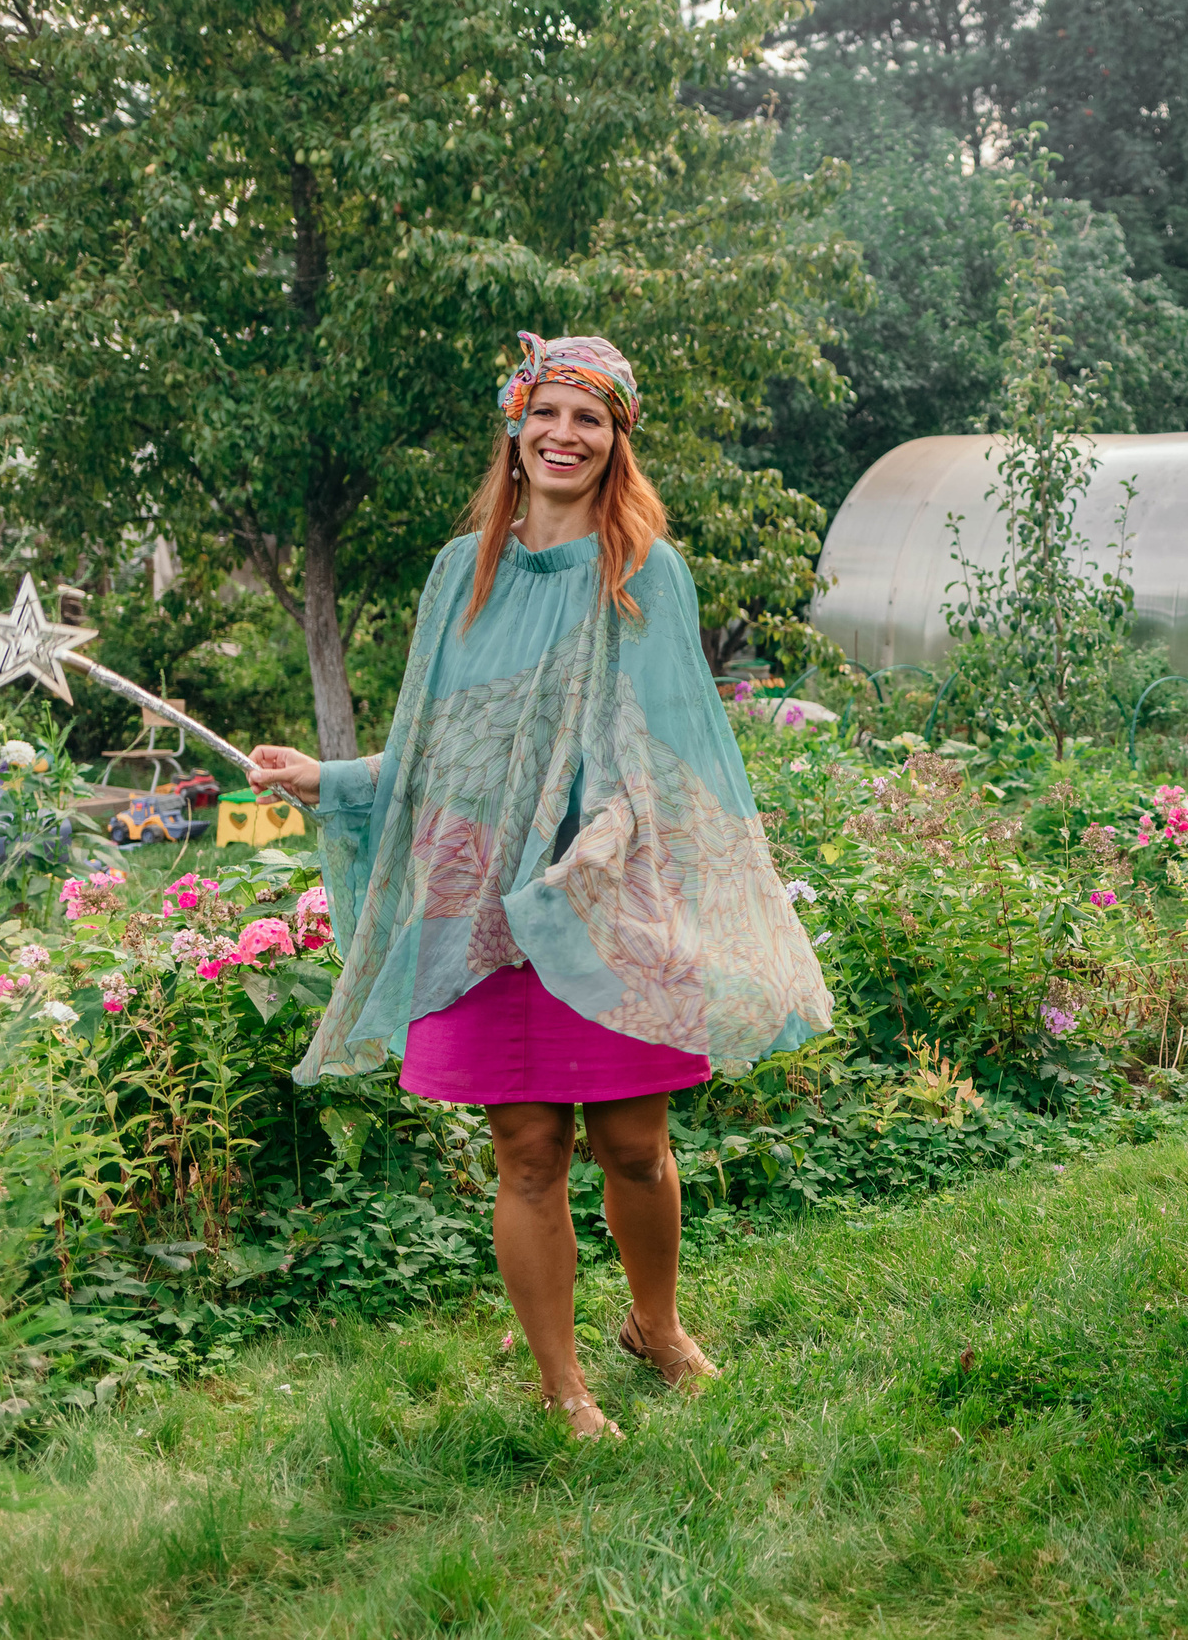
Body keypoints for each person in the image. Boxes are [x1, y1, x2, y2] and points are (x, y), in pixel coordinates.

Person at [248, 332, 832, 1443]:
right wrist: (325, 777)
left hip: (603, 896)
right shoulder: (456, 573)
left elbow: (676, 742)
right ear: (515, 429)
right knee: (528, 1150)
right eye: (548, 414)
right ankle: (563, 1386)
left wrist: (618, 825)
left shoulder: (645, 570)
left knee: (634, 1144)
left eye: (591, 420)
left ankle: (653, 1328)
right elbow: (437, 754)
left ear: (616, 442)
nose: (566, 436)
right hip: (483, 908)